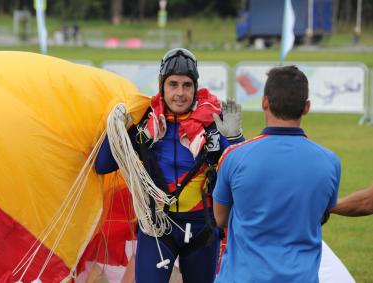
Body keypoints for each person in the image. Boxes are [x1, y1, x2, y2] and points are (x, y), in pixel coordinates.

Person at [95, 48, 244, 283]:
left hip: (201, 229)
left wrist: (236, 139)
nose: (180, 93)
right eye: (173, 84)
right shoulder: (145, 123)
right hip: (157, 228)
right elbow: (102, 165)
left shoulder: (213, 125)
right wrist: (118, 127)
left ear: (196, 88)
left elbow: (242, 175)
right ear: (161, 86)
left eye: (187, 85)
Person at [213, 65, 340, 283]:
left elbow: (220, 218)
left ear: (264, 102)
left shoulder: (234, 157)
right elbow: (319, 214)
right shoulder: (330, 162)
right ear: (307, 107)